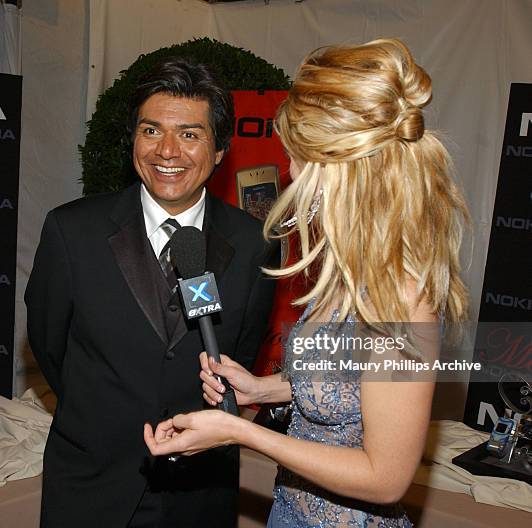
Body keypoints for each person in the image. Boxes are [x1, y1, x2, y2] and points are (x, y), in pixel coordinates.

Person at [144, 39, 470, 527]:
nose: (291, 172)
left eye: (298, 157)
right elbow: (348, 385)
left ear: (341, 167)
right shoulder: (351, 269)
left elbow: (386, 476)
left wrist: (242, 432)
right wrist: (262, 389)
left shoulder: (403, 294)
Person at [25, 58, 278, 527]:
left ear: (220, 148)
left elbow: (242, 352)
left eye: (189, 134)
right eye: (151, 130)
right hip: (92, 485)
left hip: (201, 492)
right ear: (133, 139)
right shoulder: (71, 231)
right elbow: (49, 345)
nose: (167, 151)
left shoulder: (253, 244)